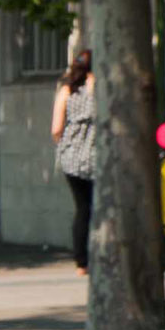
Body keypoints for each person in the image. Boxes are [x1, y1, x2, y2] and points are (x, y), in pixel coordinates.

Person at [51, 49, 96, 273]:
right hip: (96, 156)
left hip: (71, 158)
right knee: (100, 208)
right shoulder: (99, 87)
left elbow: (56, 128)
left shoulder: (67, 89)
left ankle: (81, 262)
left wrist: (65, 143)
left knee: (82, 208)